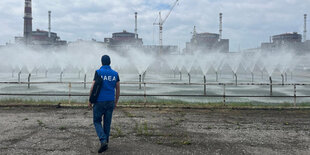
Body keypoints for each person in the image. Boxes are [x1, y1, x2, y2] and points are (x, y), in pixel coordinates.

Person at [89, 55, 120, 153]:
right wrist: (116, 101)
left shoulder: (98, 72)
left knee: (97, 121)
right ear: (110, 62)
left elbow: (93, 86)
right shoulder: (115, 74)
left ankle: (103, 141)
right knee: (107, 123)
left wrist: (90, 100)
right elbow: (118, 88)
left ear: (101, 62)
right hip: (110, 101)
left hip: (99, 101)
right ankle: (106, 141)